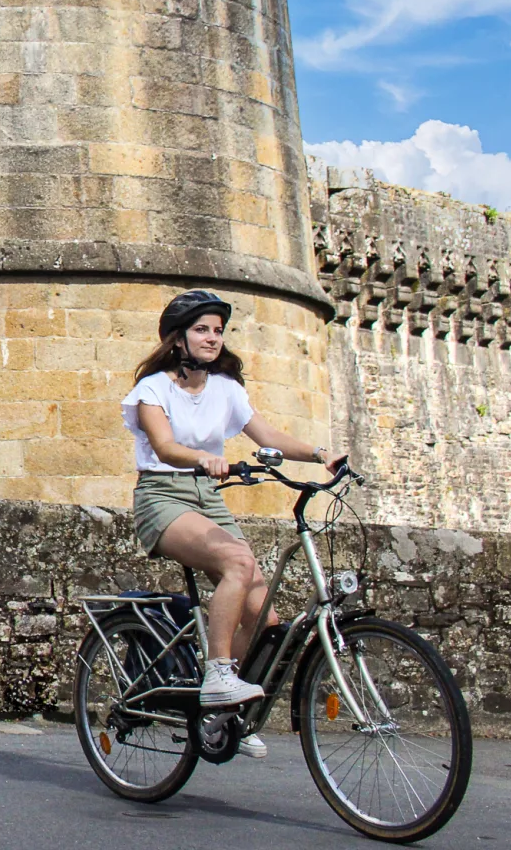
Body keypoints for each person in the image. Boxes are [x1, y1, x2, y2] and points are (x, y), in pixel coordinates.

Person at [122, 289, 346, 762]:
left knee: (264, 615)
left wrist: (321, 454)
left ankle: (227, 711)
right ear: (178, 340)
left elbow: (269, 438)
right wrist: (204, 458)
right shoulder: (152, 390)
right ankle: (218, 673)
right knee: (238, 562)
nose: (212, 338)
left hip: (209, 497)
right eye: (202, 329)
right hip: (163, 495)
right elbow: (163, 448)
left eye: (218, 331)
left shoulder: (226, 390)